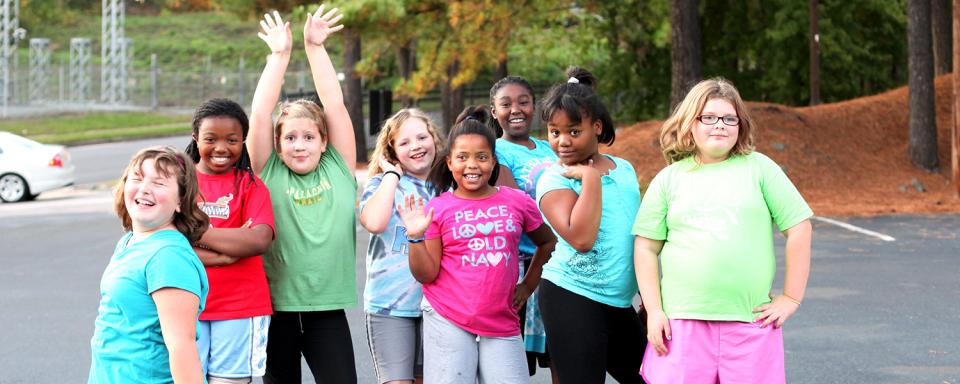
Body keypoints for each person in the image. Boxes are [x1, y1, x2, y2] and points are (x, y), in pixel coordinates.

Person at [633, 78, 813, 384]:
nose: (720, 125)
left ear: (741, 126)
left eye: (730, 119)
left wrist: (791, 297)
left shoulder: (761, 169)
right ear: (691, 123)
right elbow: (646, 248)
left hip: (750, 319)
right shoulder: (668, 179)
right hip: (682, 323)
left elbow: (800, 227)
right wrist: (654, 311)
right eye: (709, 117)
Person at [397, 106, 557, 384]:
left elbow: (547, 243)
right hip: (448, 318)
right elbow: (426, 274)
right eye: (462, 157)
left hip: (502, 321)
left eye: (482, 157)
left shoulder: (516, 201)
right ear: (449, 163)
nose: (472, 165)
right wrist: (415, 237)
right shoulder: (439, 208)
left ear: (493, 162)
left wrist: (528, 285)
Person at [246, 7, 359, 383]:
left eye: (309, 137)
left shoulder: (338, 169)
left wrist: (314, 48)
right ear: (277, 146)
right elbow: (261, 114)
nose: (299, 145)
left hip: (326, 313)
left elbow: (334, 105)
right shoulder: (269, 171)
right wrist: (279, 56)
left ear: (324, 141)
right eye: (290, 138)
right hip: (274, 310)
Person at [535, 67, 646, 383]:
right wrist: (590, 178)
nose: (563, 141)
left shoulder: (623, 169)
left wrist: (651, 298)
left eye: (573, 130)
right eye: (554, 132)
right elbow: (581, 238)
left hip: (619, 302)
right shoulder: (553, 178)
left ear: (596, 127)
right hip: (572, 296)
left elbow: (638, 237)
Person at [89, 146, 209, 383]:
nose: (144, 189)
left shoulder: (168, 256)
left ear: (181, 201)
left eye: (159, 183)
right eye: (138, 178)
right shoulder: (130, 241)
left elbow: (181, 348)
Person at [184, 98, 275, 384]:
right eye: (211, 139)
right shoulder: (180, 183)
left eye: (232, 140)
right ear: (196, 138)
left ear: (243, 140)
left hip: (241, 305)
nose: (221, 148)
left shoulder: (251, 185)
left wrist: (197, 233)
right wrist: (227, 251)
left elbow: (258, 240)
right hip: (185, 302)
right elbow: (168, 246)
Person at [359, 108, 444, 384]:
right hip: (389, 307)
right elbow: (374, 221)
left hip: (438, 305)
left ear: (434, 139)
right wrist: (391, 176)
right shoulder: (382, 185)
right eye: (404, 142)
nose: (416, 146)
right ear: (391, 151)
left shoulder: (447, 186)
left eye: (422, 137)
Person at [489, 76, 559, 382]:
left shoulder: (550, 147)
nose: (515, 109)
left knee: (561, 351)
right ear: (494, 112)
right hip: (524, 265)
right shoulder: (496, 151)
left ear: (535, 106)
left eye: (523, 102)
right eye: (505, 104)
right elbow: (517, 207)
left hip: (560, 262)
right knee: (514, 363)